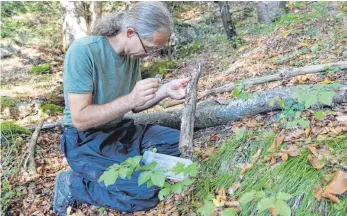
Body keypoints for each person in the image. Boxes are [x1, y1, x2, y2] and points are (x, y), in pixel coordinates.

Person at [53, 2, 190, 215]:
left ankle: (131, 167)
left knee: (181, 144)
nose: (151, 55)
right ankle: (72, 184)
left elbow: (135, 105)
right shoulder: (84, 51)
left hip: (121, 131)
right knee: (145, 194)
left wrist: (165, 91)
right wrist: (130, 99)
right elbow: (80, 119)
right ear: (130, 33)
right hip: (85, 141)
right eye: (151, 47)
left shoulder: (131, 55)